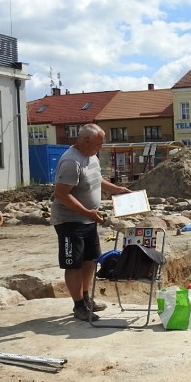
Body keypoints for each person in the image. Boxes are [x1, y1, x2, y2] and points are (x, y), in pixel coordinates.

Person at [51, 124, 130, 321]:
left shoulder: (91, 155)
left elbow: (97, 179)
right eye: (98, 143)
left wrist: (116, 189)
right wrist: (87, 212)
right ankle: (78, 306)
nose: (100, 148)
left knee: (90, 260)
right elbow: (61, 195)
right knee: (74, 264)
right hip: (70, 221)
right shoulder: (71, 161)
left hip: (88, 219)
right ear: (86, 140)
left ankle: (86, 298)